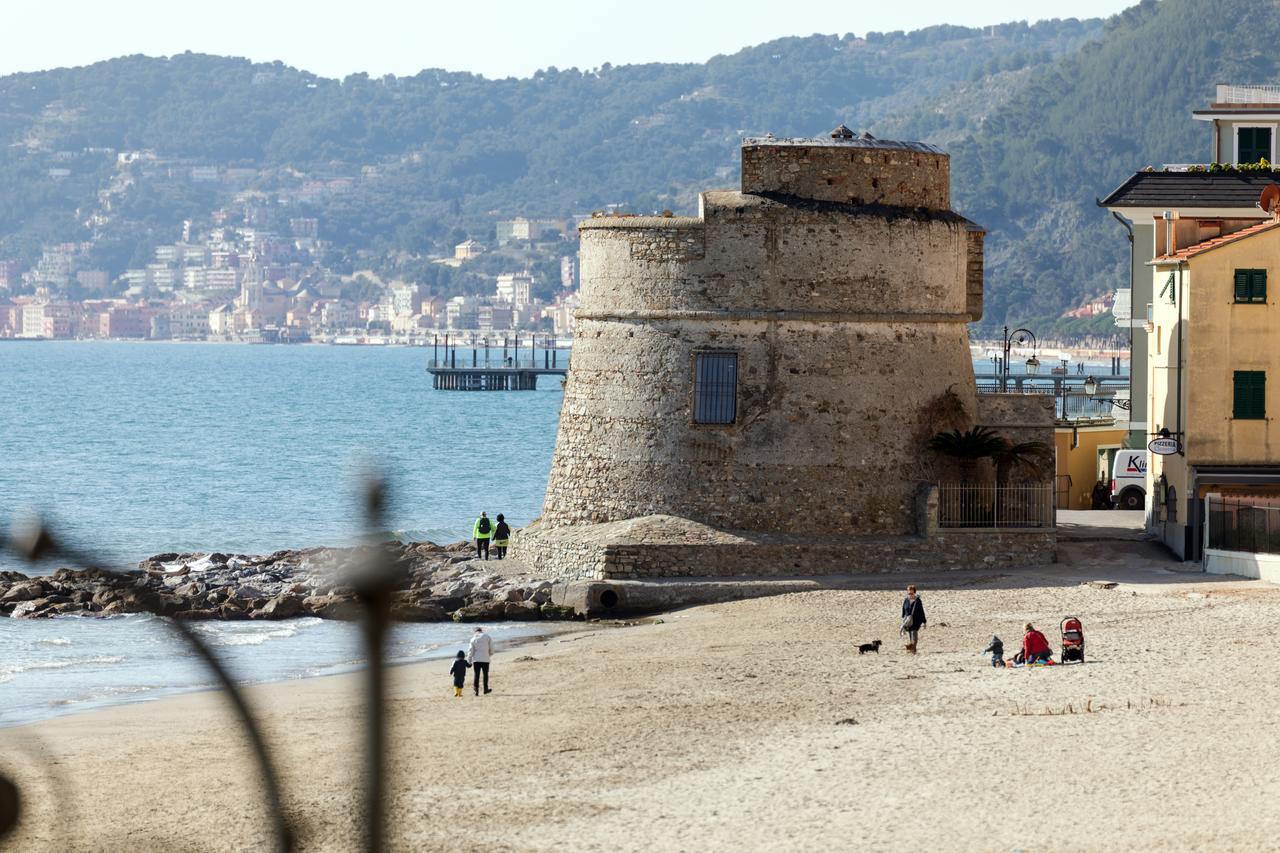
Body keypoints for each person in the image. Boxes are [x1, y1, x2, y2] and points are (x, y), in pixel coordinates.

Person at [901, 585, 926, 654]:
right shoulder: (906, 600)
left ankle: (913, 648)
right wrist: (903, 619)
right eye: (909, 593)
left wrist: (924, 621)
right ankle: (911, 647)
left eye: (911, 593)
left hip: (917, 620)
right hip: (908, 620)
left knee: (914, 633)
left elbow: (921, 611)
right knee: (910, 634)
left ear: (914, 593)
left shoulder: (918, 601)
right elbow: (903, 609)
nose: (910, 595)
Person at [468, 626, 493, 695]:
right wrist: (490, 654)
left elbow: (470, 651)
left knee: (476, 675)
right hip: (485, 659)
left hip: (476, 660)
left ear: (475, 631)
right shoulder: (487, 637)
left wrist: (469, 661)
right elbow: (491, 648)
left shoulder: (473, 639)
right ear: (481, 630)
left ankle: (476, 690)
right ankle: (485, 689)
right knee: (485, 674)